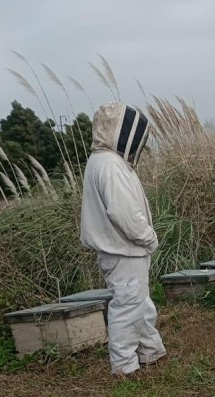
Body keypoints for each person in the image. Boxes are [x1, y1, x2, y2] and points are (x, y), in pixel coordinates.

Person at [80, 102, 166, 377]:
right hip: (124, 249)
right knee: (127, 307)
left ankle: (150, 352)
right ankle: (125, 366)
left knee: (139, 303)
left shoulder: (104, 161)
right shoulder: (110, 165)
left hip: (123, 250)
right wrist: (148, 237)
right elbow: (123, 212)